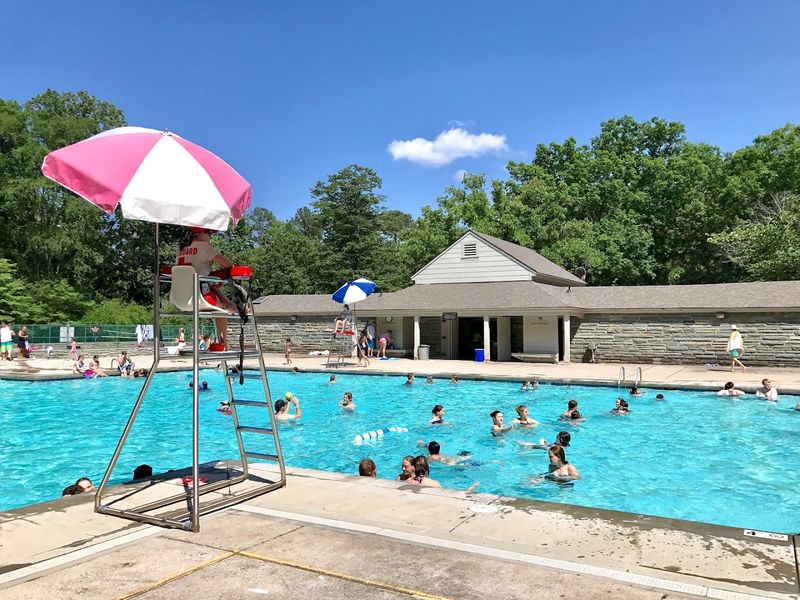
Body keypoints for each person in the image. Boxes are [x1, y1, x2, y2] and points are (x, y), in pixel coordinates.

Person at [176, 227, 238, 349]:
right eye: (209, 233)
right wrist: (219, 278)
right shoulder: (204, 247)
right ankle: (224, 343)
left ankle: (228, 304)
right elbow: (230, 266)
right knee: (221, 311)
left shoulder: (180, 251)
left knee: (208, 284)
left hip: (180, 299)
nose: (211, 237)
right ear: (200, 234)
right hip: (200, 298)